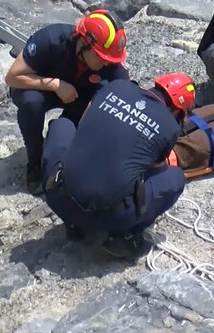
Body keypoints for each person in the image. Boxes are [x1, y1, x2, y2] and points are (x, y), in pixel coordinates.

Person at [40, 73, 196, 260]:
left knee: (62, 125)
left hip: (58, 197)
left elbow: (83, 124)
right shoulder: (169, 125)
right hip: (108, 218)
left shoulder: (117, 87)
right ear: (178, 111)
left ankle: (72, 221)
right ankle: (125, 237)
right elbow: (154, 166)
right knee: (175, 178)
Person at [4, 9, 130, 194]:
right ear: (84, 43)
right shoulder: (51, 38)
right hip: (43, 89)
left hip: (80, 98)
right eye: (102, 57)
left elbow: (124, 98)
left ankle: (66, 158)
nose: (106, 63)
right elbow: (12, 77)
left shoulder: (111, 64)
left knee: (79, 126)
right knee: (31, 103)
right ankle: (35, 163)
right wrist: (56, 85)